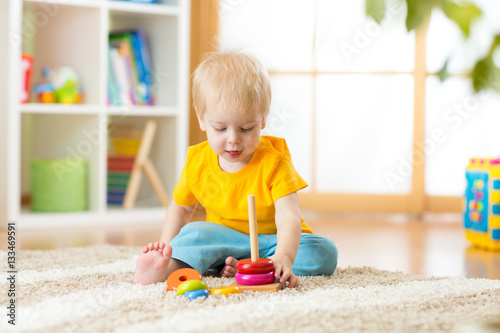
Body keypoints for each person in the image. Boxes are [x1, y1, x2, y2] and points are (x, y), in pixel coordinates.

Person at [133, 47, 338, 287]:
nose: (233, 139)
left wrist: (284, 255)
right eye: (220, 129)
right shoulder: (197, 162)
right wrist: (166, 247)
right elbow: (180, 210)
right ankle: (166, 267)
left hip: (272, 241)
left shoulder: (274, 160)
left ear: (263, 118)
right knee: (196, 234)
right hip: (222, 239)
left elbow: (288, 215)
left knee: (323, 251)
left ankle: (257, 264)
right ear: (201, 119)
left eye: (246, 128)